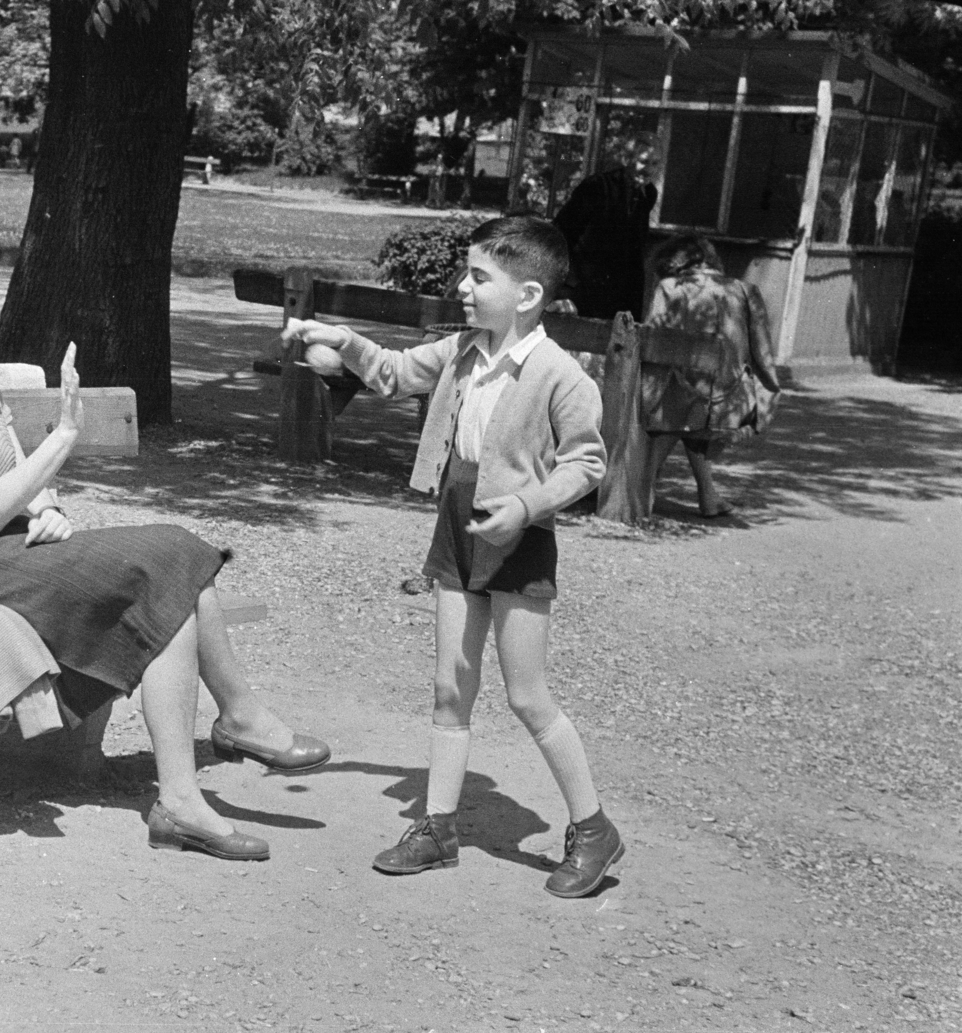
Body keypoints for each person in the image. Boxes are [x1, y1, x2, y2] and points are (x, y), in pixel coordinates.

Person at [0, 227, 330, 861]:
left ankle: (184, 796)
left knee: (174, 574)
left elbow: (15, 476)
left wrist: (50, 507)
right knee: (172, 553)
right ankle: (235, 726)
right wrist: (63, 438)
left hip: (12, 548)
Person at [281, 215, 623, 898]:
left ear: (526, 294)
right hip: (456, 526)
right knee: (449, 687)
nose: (463, 288)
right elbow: (392, 371)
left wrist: (527, 506)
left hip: (519, 536)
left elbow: (588, 462)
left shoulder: (560, 372)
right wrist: (338, 340)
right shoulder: (465, 350)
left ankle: (593, 828)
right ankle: (437, 826)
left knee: (526, 694)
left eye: (478, 277)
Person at [641, 235, 782, 519]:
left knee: (672, 418)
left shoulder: (670, 288)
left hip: (681, 396)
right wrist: (768, 395)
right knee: (692, 422)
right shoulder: (744, 290)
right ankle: (708, 496)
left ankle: (641, 491)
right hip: (731, 400)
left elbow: (654, 343)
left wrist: (644, 393)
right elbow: (763, 353)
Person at [553, 141, 659, 320]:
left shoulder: (648, 193)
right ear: (626, 159)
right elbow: (562, 231)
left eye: (654, 163)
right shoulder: (598, 186)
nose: (649, 170)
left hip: (621, 289)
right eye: (644, 162)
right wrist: (569, 283)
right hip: (585, 285)